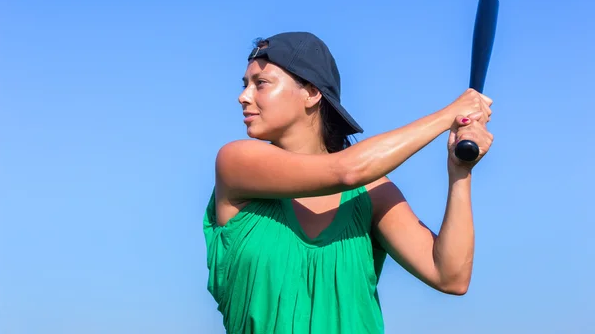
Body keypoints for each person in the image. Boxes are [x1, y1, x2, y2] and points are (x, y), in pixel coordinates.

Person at [203, 31, 493, 334]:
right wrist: (450, 113)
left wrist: (460, 171)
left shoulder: (372, 194)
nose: (243, 96)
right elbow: (347, 170)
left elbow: (450, 276)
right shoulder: (235, 164)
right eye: (245, 85)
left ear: (312, 93)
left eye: (260, 84)